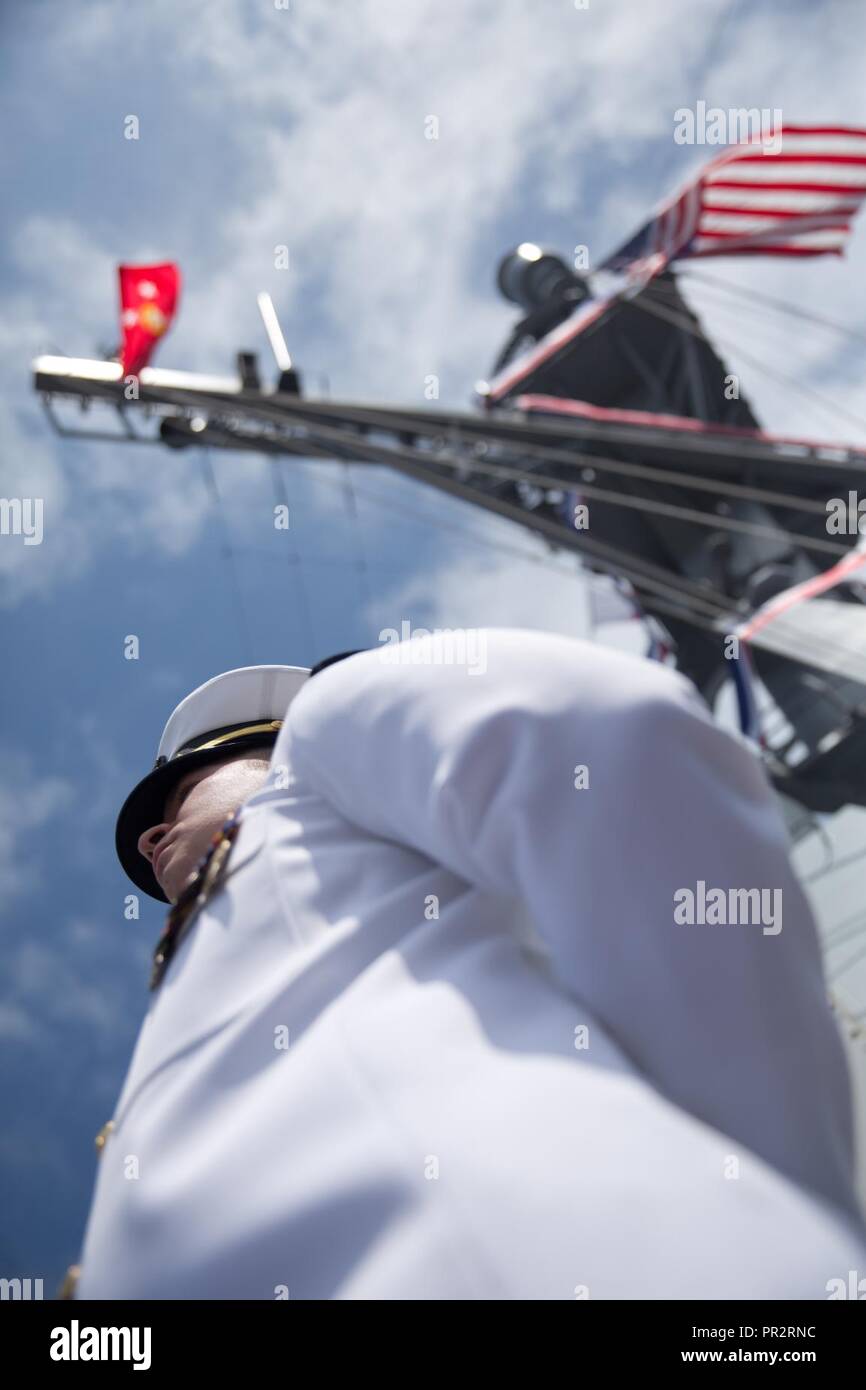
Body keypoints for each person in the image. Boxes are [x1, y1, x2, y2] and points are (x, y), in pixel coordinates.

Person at [69, 628, 866, 1299]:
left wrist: (759, 1225)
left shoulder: (318, 739)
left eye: (180, 795)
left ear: (266, 753)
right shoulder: (195, 977)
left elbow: (604, 734)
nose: (149, 838)